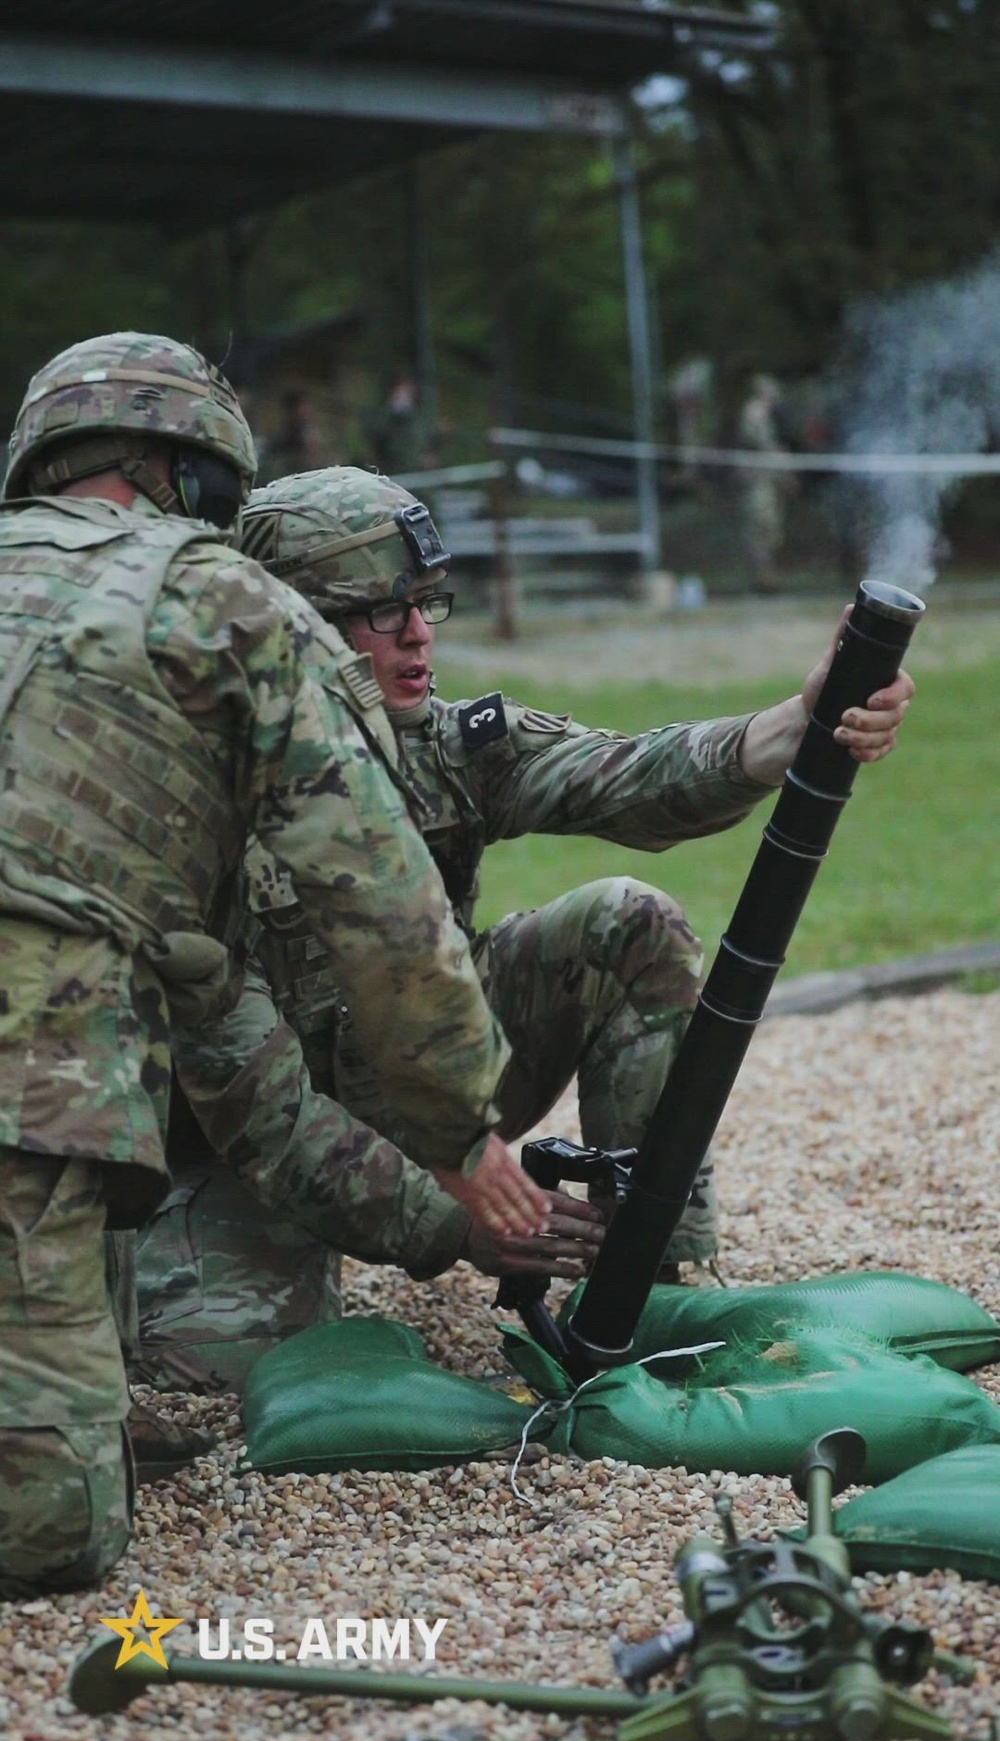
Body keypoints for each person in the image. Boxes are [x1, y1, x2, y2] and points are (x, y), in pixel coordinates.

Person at [134, 465, 913, 1391]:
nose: (419, 634)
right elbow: (264, 1117)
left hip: (435, 1094)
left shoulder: (439, 744)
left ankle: (650, 1276)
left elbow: (621, 772)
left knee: (629, 920)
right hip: (253, 1153)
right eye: (379, 612)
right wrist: (464, 1223)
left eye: (427, 602)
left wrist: (793, 725)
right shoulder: (193, 818)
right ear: (283, 626)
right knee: (220, 1367)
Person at [0, 334, 552, 1601]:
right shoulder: (227, 606)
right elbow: (381, 902)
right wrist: (462, 1138)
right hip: (39, 1085)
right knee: (56, 1535)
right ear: (197, 482)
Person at [737, 373, 793, 594]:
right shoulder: (754, 412)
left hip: (768, 483)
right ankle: (762, 581)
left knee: (771, 533)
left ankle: (767, 579)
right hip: (758, 484)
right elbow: (757, 444)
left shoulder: (766, 415)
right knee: (759, 532)